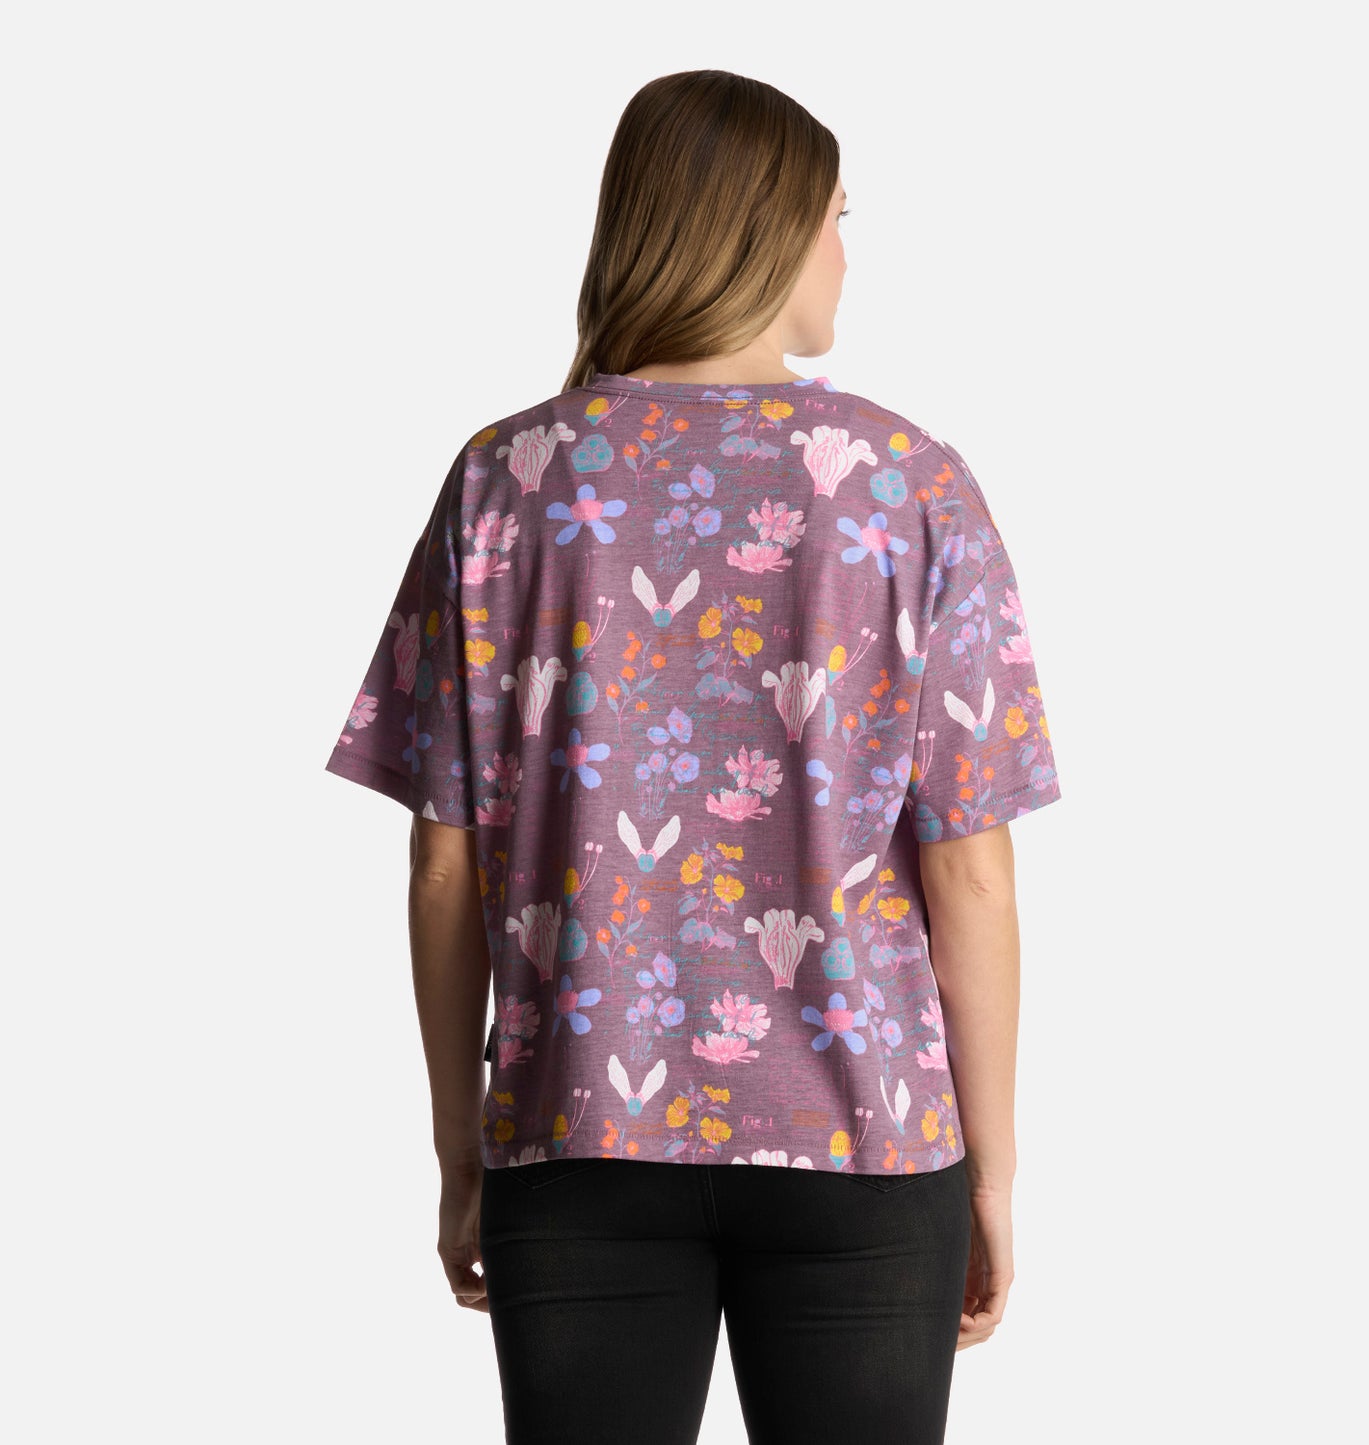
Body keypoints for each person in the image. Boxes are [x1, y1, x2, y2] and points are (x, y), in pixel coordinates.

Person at [324, 68, 1062, 1445]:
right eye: (837, 217)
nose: (847, 253)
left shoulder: (507, 480)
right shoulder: (907, 481)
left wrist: (460, 1151)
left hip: (575, 1127)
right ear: (766, 230)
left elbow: (443, 867)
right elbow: (971, 869)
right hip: (866, 1138)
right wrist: (993, 1174)